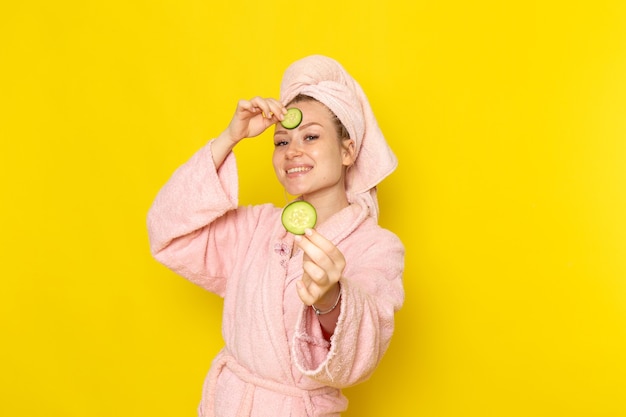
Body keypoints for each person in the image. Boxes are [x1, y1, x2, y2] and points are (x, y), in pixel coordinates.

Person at [147, 55, 405, 417]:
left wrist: (331, 296)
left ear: (348, 151)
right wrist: (229, 137)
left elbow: (362, 351)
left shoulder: (378, 247)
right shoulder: (255, 227)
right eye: (281, 142)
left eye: (311, 137)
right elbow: (166, 231)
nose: (292, 152)